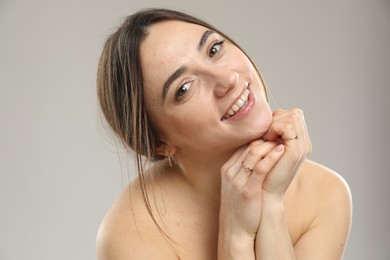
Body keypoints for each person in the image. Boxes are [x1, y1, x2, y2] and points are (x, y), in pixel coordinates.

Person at [95, 8, 352, 260]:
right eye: (184, 88)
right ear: (159, 142)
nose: (227, 79)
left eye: (214, 50)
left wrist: (270, 205)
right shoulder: (131, 235)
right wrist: (236, 237)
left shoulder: (326, 194)